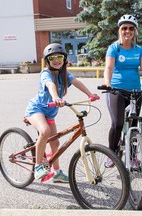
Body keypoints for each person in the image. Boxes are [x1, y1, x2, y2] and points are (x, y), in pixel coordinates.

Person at [24, 43, 99, 182]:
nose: (57, 60)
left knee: (55, 143)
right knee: (45, 131)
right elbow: (50, 84)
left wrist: (90, 94)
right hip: (37, 109)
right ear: (47, 61)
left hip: (50, 112)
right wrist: (56, 97)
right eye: (53, 58)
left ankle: (57, 173)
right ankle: (38, 166)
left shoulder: (64, 73)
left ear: (64, 59)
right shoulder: (45, 73)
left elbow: (76, 82)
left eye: (60, 57)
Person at [103, 14, 142, 168]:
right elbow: (109, 67)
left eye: (131, 28)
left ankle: (132, 157)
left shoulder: (139, 50)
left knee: (134, 125)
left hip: (134, 91)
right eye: (124, 28)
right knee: (118, 123)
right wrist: (107, 82)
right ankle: (111, 154)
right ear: (120, 30)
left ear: (134, 31)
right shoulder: (114, 48)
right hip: (116, 90)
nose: (128, 31)